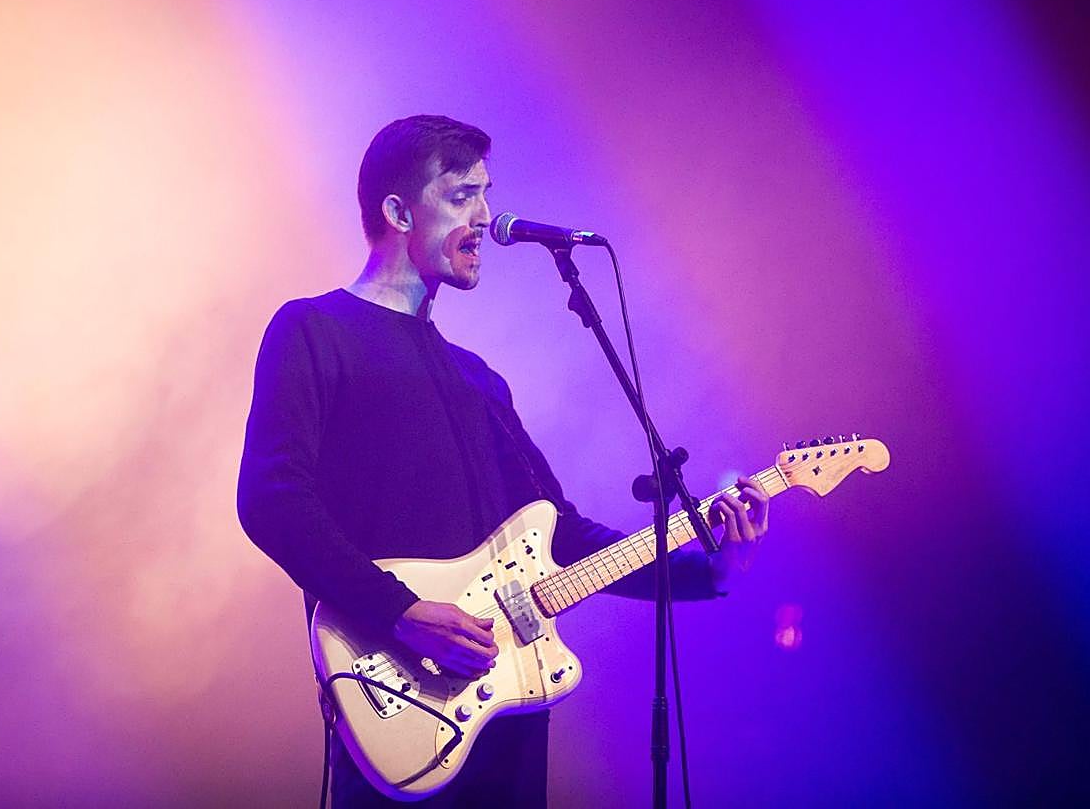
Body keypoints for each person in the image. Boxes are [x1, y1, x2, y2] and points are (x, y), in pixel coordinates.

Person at [237, 115, 769, 808]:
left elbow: (566, 537)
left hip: (509, 706)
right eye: (461, 196)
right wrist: (398, 611)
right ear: (399, 211)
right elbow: (272, 498)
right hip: (398, 704)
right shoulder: (313, 330)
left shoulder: (479, 379)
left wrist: (711, 566)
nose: (487, 218)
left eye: (486, 195)